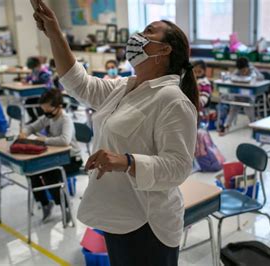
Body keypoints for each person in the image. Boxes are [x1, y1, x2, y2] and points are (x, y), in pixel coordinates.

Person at [34, 3, 198, 265]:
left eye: (148, 31)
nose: (138, 36)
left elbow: (179, 167)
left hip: (147, 222)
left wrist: (127, 161)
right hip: (118, 213)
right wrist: (55, 34)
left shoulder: (172, 100)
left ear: (164, 50)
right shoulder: (125, 86)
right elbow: (78, 82)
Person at [20, 89, 82, 221]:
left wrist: (43, 140)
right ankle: (45, 203)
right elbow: (31, 127)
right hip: (55, 157)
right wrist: (24, 133)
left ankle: (65, 206)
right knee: (32, 171)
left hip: (71, 159)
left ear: (59, 106)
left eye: (49, 111)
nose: (46, 114)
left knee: (49, 174)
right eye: (44, 111)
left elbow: (65, 140)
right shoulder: (47, 117)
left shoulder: (66, 119)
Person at [219, 57, 264, 136]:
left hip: (249, 96)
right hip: (239, 95)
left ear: (247, 67)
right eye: (241, 71)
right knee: (233, 108)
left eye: (244, 70)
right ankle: (226, 126)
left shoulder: (252, 70)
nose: (243, 72)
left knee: (248, 109)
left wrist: (255, 78)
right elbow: (231, 78)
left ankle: (253, 125)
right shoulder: (237, 71)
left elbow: (262, 77)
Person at [25, 56, 52, 123]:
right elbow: (30, 77)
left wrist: (31, 82)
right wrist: (26, 80)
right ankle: (34, 118)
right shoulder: (35, 70)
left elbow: (42, 81)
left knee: (39, 105)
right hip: (37, 92)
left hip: (46, 92)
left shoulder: (44, 71)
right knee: (27, 102)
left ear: (38, 65)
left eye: (34, 67)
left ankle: (43, 121)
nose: (34, 69)